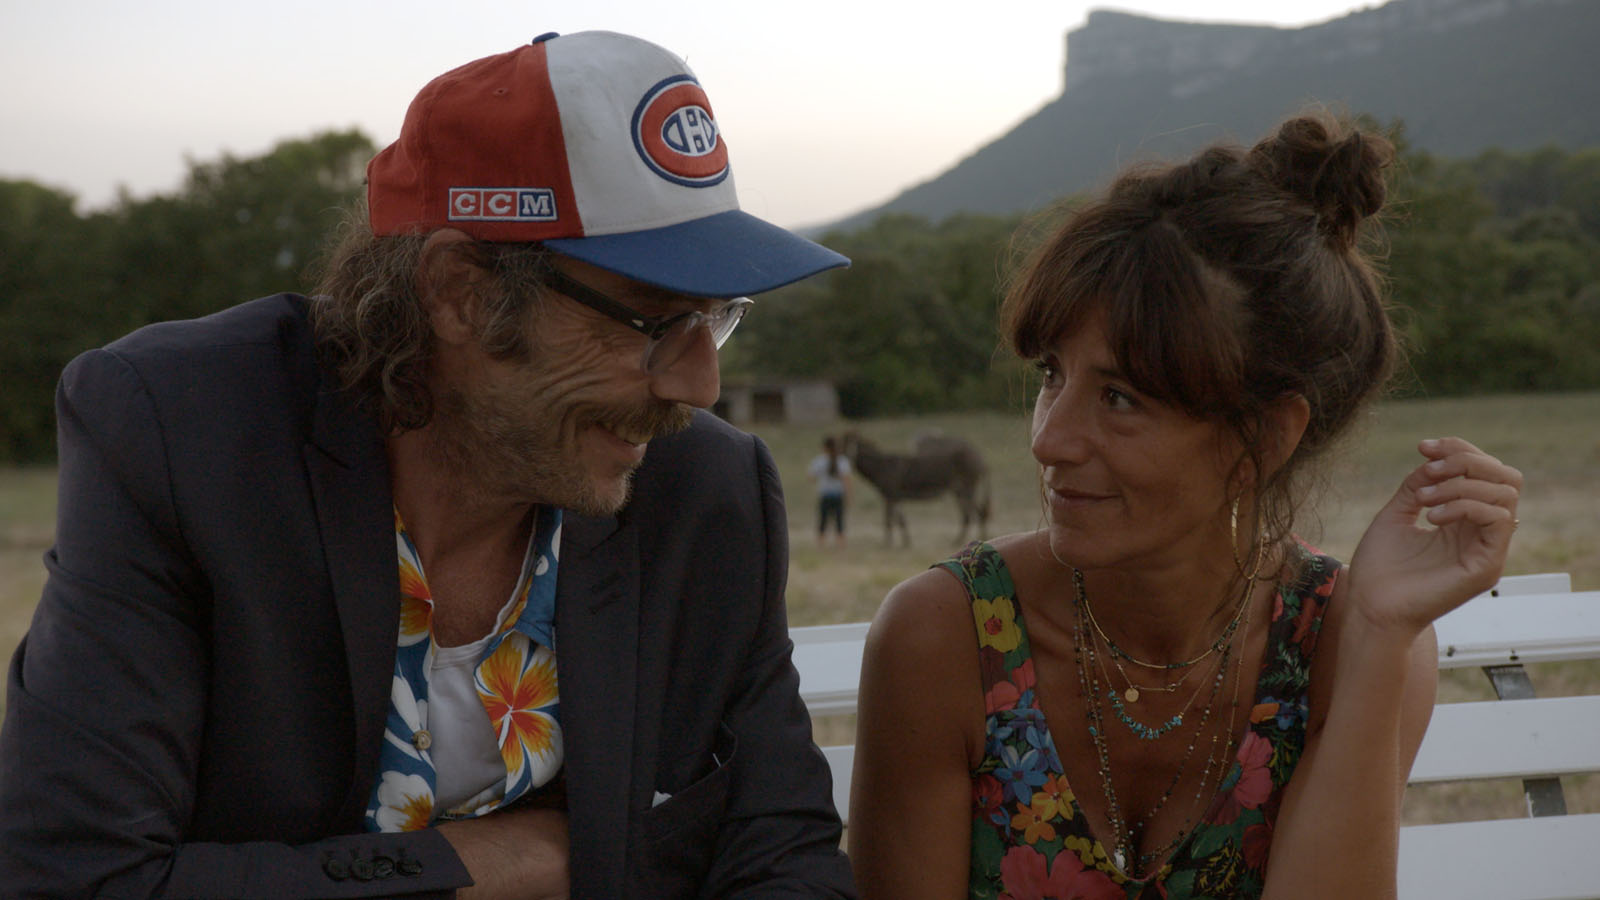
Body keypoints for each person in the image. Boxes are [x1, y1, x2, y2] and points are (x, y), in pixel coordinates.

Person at [0, 31, 857, 899]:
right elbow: (73, 876)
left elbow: (781, 857)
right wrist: (497, 864)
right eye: (652, 321)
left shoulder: (707, 492)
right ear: (460, 292)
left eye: (714, 318)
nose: (699, 386)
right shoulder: (185, 438)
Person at [847, 114, 1522, 900]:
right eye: (1051, 375)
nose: (1049, 440)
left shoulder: (1350, 645)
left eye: (1120, 398)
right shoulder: (947, 639)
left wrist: (1377, 639)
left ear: (1263, 438)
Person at [809, 436, 853, 547]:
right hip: (838, 495)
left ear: (824, 447)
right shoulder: (842, 461)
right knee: (839, 522)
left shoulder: (820, 461)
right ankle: (841, 545)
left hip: (825, 495)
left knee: (823, 521)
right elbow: (847, 481)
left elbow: (811, 477)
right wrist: (848, 496)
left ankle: (821, 545)